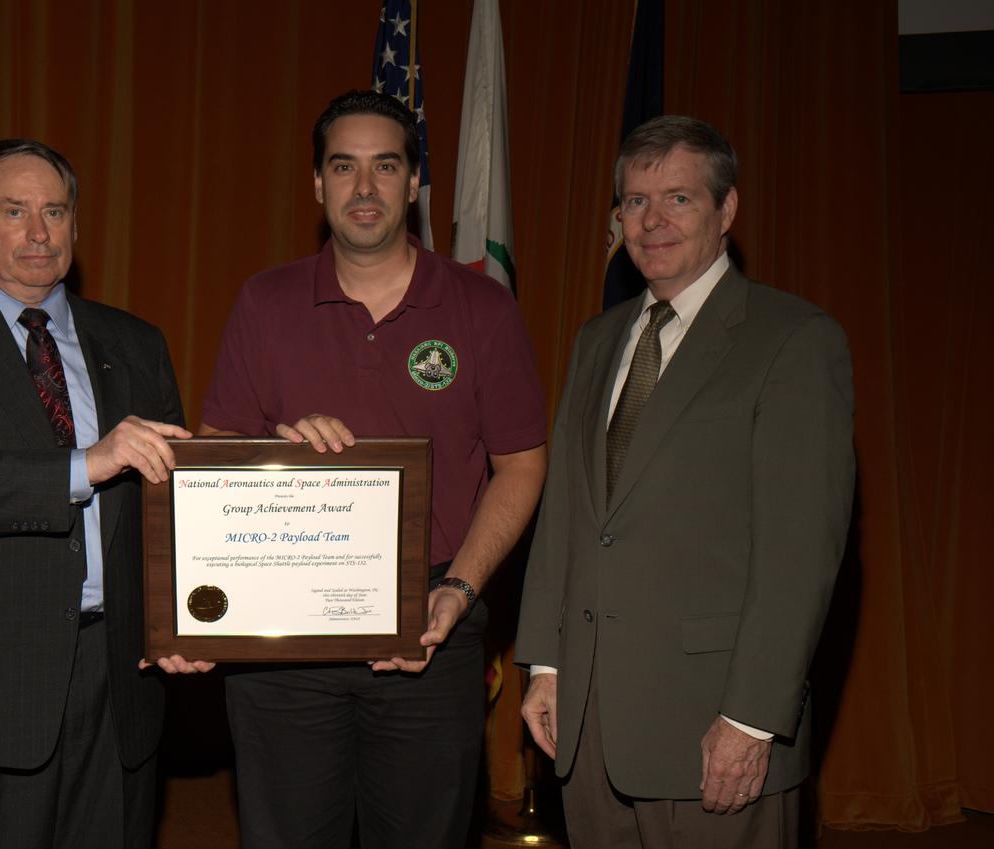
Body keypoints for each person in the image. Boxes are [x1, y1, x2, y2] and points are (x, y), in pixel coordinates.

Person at [199, 90, 548, 849]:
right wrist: (279, 457)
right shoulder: (264, 301)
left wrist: (458, 591)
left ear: (415, 182)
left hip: (431, 628)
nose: (364, 189)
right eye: (344, 167)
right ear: (316, 184)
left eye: (385, 167)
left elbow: (521, 464)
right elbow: (214, 450)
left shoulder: (481, 308)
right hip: (283, 638)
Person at [515, 115, 855, 849]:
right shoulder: (597, 339)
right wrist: (546, 662)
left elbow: (799, 552)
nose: (652, 220)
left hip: (716, 725)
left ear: (726, 211)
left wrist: (753, 716)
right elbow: (571, 515)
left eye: (678, 198)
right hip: (592, 723)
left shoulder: (792, 339)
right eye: (635, 201)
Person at [0, 138, 210, 849]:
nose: (39, 232)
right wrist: (86, 463)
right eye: (14, 211)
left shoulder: (136, 340)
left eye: (55, 211)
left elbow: (169, 508)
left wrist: (186, 621)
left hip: (119, 685)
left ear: (76, 224)